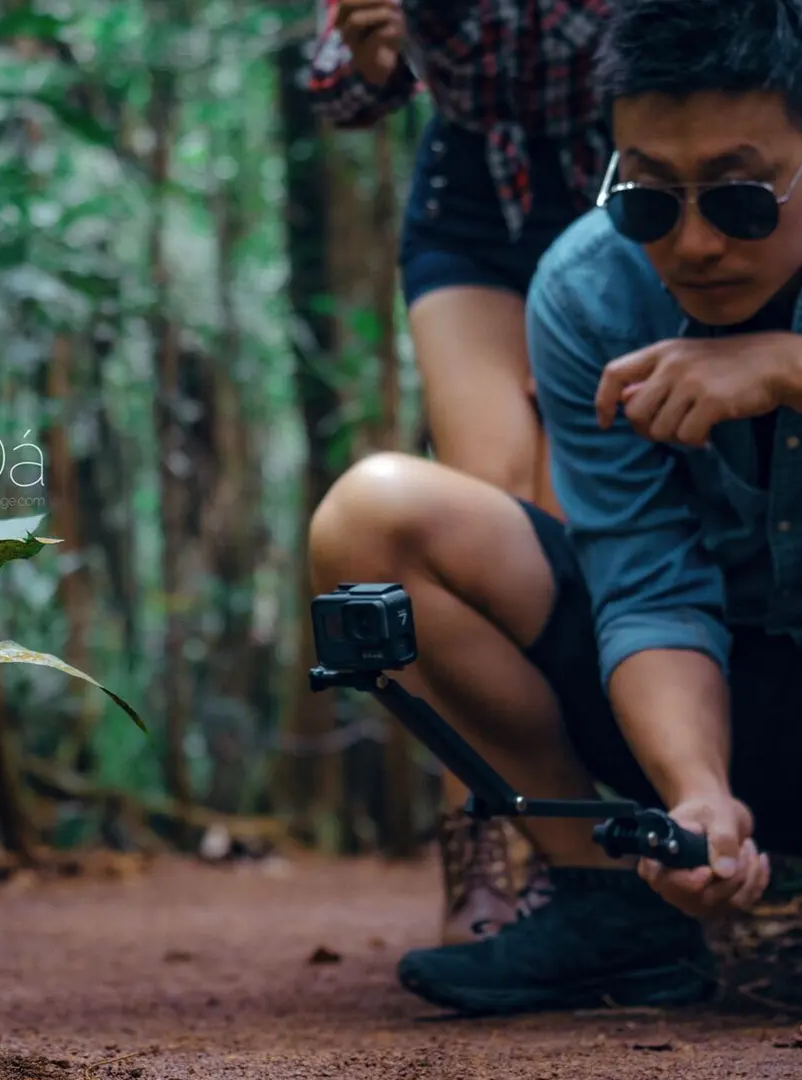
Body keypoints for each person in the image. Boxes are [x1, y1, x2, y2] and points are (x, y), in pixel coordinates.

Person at [306, 0, 802, 1021]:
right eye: (650, 198)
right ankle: (612, 909)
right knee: (371, 520)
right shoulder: (590, 289)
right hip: (711, 718)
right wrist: (695, 794)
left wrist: (797, 371)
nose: (692, 244)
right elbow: (645, 582)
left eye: (738, 201)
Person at [305, 0, 614, 949]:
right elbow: (338, 88)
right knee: (489, 505)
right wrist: (373, 53)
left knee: (573, 511)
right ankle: (484, 839)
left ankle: (605, 845)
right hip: (474, 199)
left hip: (630, 186)